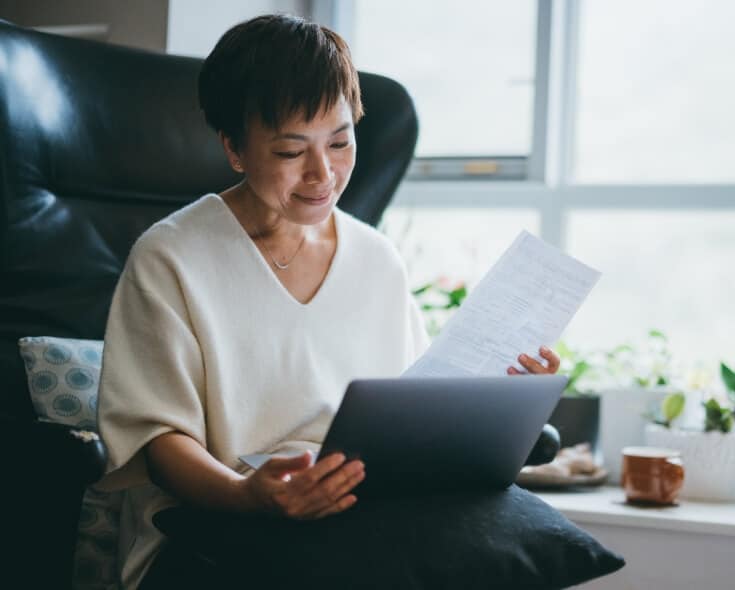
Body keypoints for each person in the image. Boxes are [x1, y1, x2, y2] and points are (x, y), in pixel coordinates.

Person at [97, 13, 561, 589]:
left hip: (368, 511)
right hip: (212, 522)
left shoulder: (376, 259)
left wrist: (503, 400)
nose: (324, 173)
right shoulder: (171, 258)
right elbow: (158, 439)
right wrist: (249, 497)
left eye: (340, 142)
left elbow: (412, 415)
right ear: (235, 149)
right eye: (292, 151)